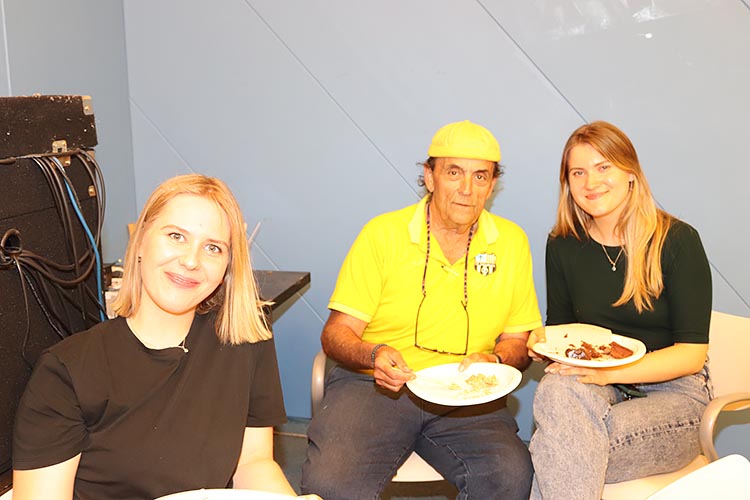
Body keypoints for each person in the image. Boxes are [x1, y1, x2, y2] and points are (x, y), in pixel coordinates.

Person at [12, 174, 319, 500]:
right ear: (140, 241)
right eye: (176, 236)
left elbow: (253, 463)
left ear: (228, 266)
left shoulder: (246, 337)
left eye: (212, 248)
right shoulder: (65, 373)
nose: (191, 261)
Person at [301, 120, 543, 500]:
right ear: (430, 177)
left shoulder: (511, 242)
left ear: (492, 184)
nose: (467, 189)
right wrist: (374, 355)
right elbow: (335, 335)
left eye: (480, 176)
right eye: (454, 173)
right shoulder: (382, 234)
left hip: (464, 395)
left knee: (509, 476)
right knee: (331, 485)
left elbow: (517, 341)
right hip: (376, 386)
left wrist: (495, 360)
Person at [527, 121, 713, 499]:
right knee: (557, 393)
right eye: (578, 172)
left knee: (558, 443)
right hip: (596, 389)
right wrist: (542, 344)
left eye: (603, 167)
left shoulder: (677, 240)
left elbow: (692, 355)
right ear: (567, 183)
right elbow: (563, 333)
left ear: (630, 172)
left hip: (676, 395)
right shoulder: (562, 244)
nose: (591, 182)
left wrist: (610, 373)